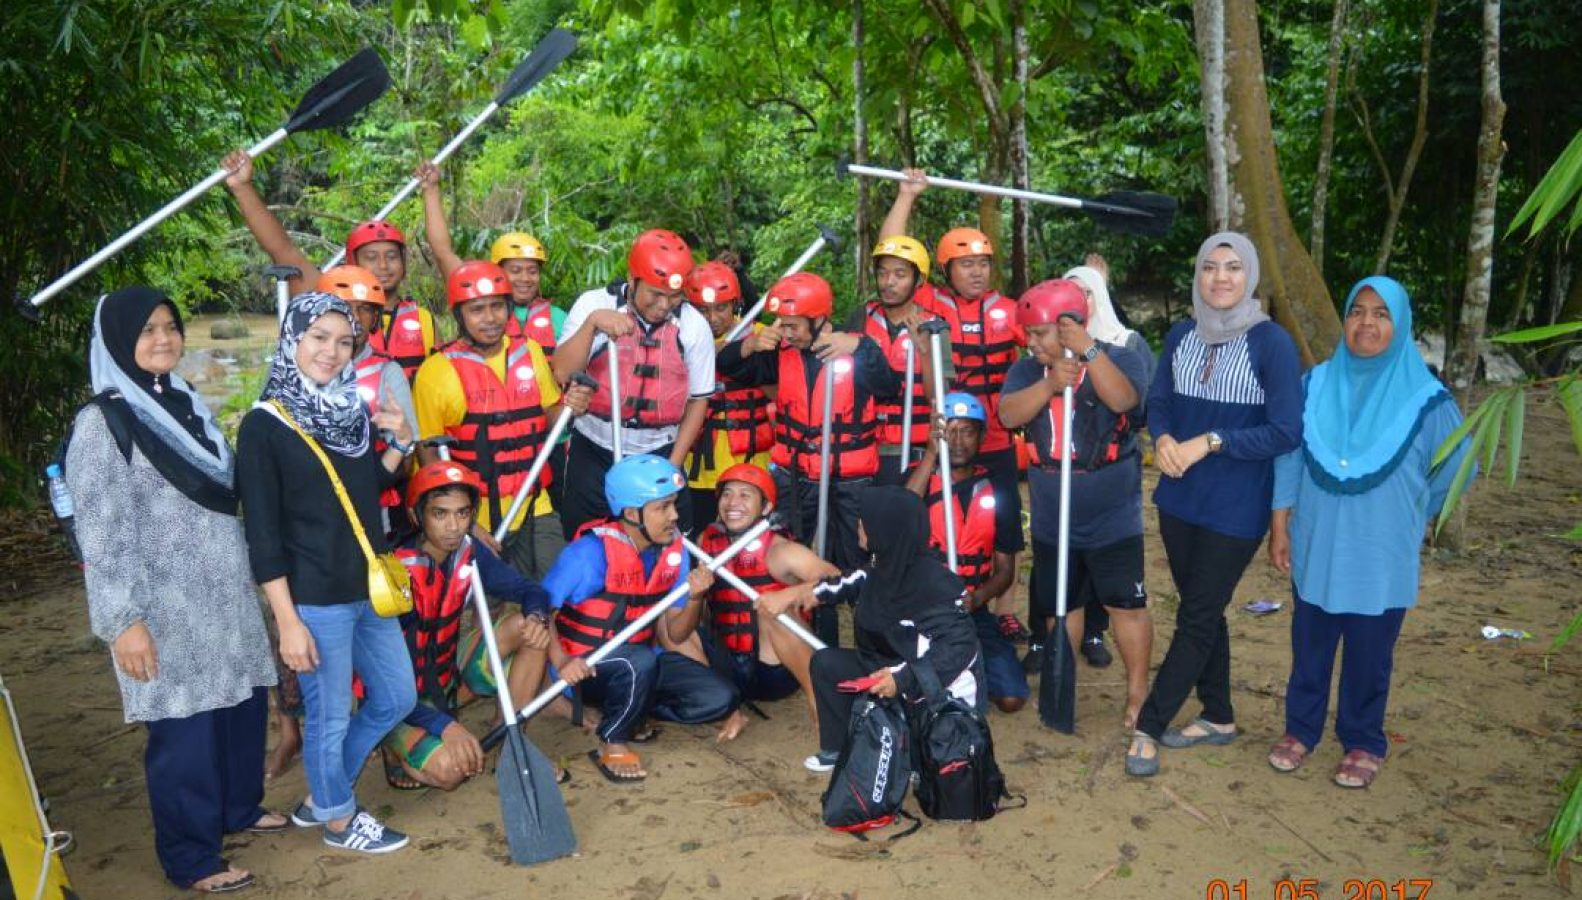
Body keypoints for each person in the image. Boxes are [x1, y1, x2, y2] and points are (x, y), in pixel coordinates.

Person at [67, 287, 281, 893]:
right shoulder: (102, 423)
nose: (163, 339)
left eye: (170, 326)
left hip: (222, 593)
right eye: (146, 330)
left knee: (239, 707)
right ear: (116, 343)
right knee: (183, 730)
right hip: (163, 607)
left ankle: (237, 808)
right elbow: (101, 535)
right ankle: (192, 857)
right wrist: (123, 622)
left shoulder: (184, 399)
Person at [1267, 276, 1471, 788]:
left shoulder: (1428, 401)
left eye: (1382, 314)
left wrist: (1422, 514)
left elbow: (1455, 465)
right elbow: (1289, 455)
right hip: (1317, 543)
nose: (1367, 323)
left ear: (1399, 324)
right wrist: (1280, 521)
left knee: (1369, 653)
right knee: (1310, 645)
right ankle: (1301, 730)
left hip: (1381, 552)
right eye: (1358, 311)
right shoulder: (1315, 384)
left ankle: (1362, 740)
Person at [237, 291, 418, 852]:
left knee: (396, 696)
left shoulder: (347, 409)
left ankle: (323, 790)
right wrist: (287, 622)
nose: (331, 352)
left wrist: (401, 443)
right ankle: (339, 819)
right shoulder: (264, 426)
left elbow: (369, 490)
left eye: (343, 342)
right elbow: (262, 536)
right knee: (329, 713)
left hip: (366, 585)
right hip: (314, 598)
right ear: (292, 339)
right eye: (319, 338)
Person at [1127, 233, 1303, 778]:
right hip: (1180, 500)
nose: (1220, 277)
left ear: (1248, 276)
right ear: (1198, 276)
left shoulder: (1270, 342)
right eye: (1209, 267)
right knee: (1205, 605)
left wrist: (1213, 441)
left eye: (1232, 267)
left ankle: (1149, 726)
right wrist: (1161, 438)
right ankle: (1219, 714)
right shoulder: (1182, 334)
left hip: (1236, 506)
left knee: (1197, 615)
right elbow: (1158, 401)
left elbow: (1286, 430)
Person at [880, 169, 1028, 642]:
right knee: (936, 519)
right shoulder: (932, 304)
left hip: (998, 438)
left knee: (1004, 524)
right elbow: (893, 247)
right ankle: (931, 594)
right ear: (947, 270)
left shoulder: (1011, 310)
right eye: (967, 265)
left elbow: (1043, 346)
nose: (977, 271)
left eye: (984, 263)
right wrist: (907, 194)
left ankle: (1004, 608)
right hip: (947, 434)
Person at [998, 279, 1153, 728]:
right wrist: (1048, 386)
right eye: (1027, 334)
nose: (1031, 342)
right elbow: (1009, 416)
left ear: (1070, 326)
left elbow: (1125, 399)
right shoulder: (1029, 371)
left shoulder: (1120, 356)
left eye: (1040, 333)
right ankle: (1060, 690)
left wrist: (1088, 353)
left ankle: (1138, 692)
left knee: (1127, 605)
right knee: (1062, 607)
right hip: (1053, 518)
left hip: (1112, 517)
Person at [715, 272, 901, 645]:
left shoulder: (856, 348)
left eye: (794, 325)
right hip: (795, 473)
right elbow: (727, 365)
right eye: (783, 324)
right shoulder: (779, 353)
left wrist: (860, 350)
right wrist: (750, 345)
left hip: (851, 477)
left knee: (857, 559)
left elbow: (889, 386)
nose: (786, 332)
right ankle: (811, 635)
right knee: (787, 549)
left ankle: (872, 642)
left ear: (818, 320)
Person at [541, 454, 740, 783]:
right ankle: (612, 739)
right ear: (632, 514)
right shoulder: (588, 554)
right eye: (662, 508)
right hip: (585, 670)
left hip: (640, 663)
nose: (675, 516)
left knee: (721, 697)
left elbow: (676, 634)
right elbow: (539, 612)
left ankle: (631, 710)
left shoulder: (674, 552)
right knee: (640, 661)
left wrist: (694, 597)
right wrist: (562, 661)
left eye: (674, 504)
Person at [758, 487, 982, 772]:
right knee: (827, 663)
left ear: (886, 528)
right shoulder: (880, 566)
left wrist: (901, 679)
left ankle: (915, 751)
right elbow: (841, 583)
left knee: (917, 749)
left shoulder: (937, 586)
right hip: (885, 665)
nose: (859, 526)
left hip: (931, 685)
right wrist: (793, 595)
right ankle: (838, 748)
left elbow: (956, 651)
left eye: (865, 520)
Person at [381, 460, 561, 791]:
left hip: (448, 678)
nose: (453, 526)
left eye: (462, 514)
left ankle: (512, 743)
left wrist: (537, 616)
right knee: (451, 773)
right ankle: (393, 746)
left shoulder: (469, 549)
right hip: (397, 700)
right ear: (416, 516)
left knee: (531, 629)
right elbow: (386, 684)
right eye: (440, 514)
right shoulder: (395, 573)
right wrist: (445, 725)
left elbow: (530, 591)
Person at [411, 260, 591, 579]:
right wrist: (467, 524)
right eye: (477, 309)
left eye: (497, 306)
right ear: (459, 315)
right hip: (477, 513)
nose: (491, 318)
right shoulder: (435, 371)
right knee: (493, 612)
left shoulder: (530, 351)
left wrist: (569, 406)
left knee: (557, 591)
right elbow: (429, 460)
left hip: (536, 503)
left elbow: (550, 418)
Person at [552, 230, 716, 538]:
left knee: (670, 544)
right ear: (633, 277)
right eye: (656, 293)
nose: (665, 304)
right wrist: (592, 325)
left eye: (674, 296)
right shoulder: (594, 303)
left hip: (659, 452)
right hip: (594, 450)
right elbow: (562, 371)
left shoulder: (694, 326)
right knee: (586, 539)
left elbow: (698, 401)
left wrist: (672, 465)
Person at [221, 152, 437, 379]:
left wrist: (431, 191)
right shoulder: (328, 299)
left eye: (392, 256)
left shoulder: (422, 319)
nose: (383, 265)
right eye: (371, 257)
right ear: (353, 262)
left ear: (404, 262)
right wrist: (242, 187)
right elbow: (282, 249)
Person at [692, 463, 840, 741]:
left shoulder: (781, 550)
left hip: (772, 669)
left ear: (766, 507)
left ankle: (819, 703)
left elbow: (839, 580)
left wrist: (789, 594)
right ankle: (723, 706)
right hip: (727, 670)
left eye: (745, 495)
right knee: (675, 619)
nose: (733, 502)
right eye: (727, 494)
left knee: (770, 611)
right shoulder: (705, 541)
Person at [1061, 259, 1156, 669]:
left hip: (1115, 476)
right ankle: (1049, 647)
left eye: (1087, 291)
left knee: (1111, 567)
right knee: (1063, 568)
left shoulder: (1128, 342)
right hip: (1062, 480)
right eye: (1070, 293)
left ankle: (1095, 632)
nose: (1078, 301)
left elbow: (1139, 409)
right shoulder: (1049, 346)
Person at [904, 394, 1026, 713]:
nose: (957, 441)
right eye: (950, 431)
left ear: (982, 436)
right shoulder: (918, 479)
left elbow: (1004, 570)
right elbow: (899, 516)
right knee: (918, 694)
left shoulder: (998, 490)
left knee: (1012, 699)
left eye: (967, 432)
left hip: (971, 609)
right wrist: (931, 455)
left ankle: (970, 666)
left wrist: (979, 597)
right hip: (921, 610)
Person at [418, 161, 566, 356]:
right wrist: (431, 190)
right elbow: (442, 251)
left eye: (532, 271)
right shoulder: (475, 294)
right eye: (515, 270)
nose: (525, 279)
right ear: (498, 272)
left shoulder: (559, 317)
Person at [319, 265, 421, 539]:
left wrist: (401, 443)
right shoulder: (295, 371)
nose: (354, 318)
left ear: (375, 318)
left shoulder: (388, 372)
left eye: (364, 309)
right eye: (344, 307)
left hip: (372, 509)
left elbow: (406, 458)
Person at [845, 235, 950, 485]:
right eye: (883, 274)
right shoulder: (860, 318)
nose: (888, 282)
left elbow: (940, 396)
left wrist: (924, 351)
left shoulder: (935, 327)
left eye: (900, 275)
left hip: (913, 451)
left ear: (919, 281)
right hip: (862, 447)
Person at [682, 261, 773, 533]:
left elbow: (779, 393)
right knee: (704, 539)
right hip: (700, 466)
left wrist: (752, 362)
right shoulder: (681, 338)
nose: (712, 318)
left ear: (736, 304)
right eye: (703, 310)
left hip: (752, 459)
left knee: (752, 542)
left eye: (721, 308)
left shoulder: (760, 336)